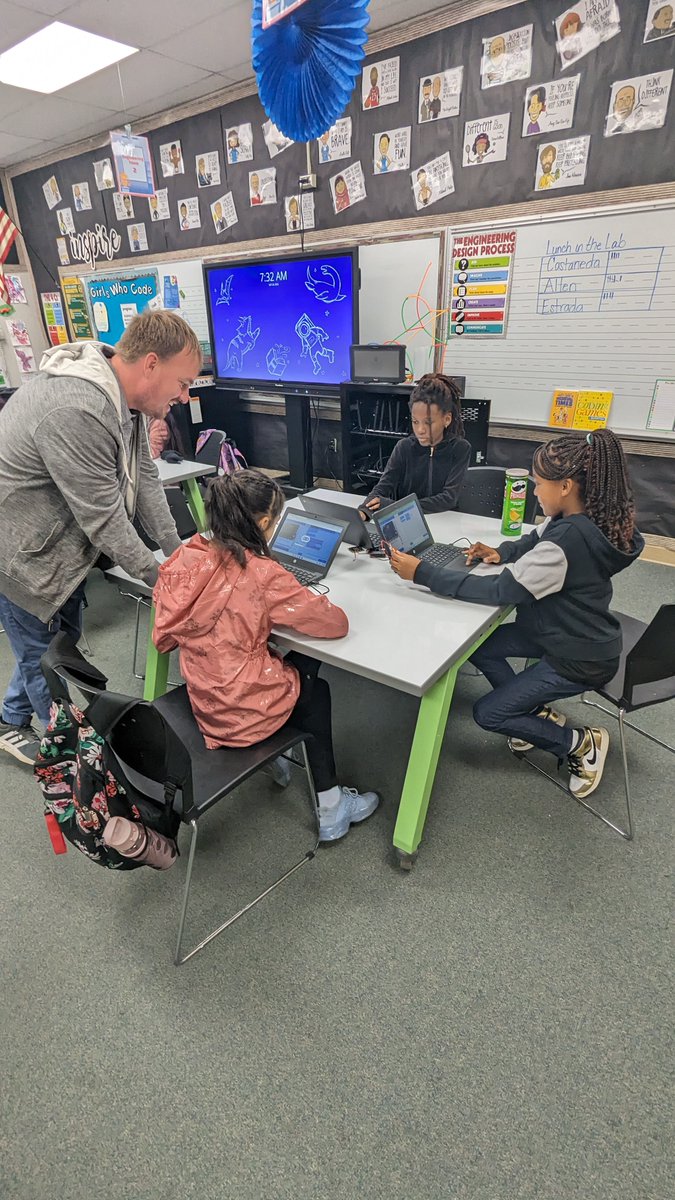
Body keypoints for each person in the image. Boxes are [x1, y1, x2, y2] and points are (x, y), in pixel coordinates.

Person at [388, 429, 644, 801]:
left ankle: (579, 743)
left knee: (488, 714)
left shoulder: (566, 543)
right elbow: (535, 539)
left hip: (579, 656)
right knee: (479, 648)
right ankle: (534, 711)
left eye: (539, 484)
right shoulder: (578, 517)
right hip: (557, 630)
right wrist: (501, 551)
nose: (534, 491)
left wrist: (422, 573)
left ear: (566, 486)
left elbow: (500, 591)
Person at [0, 310, 202, 765]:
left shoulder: (121, 397)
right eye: (183, 382)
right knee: (48, 659)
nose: (185, 397)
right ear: (150, 364)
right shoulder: (78, 407)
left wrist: (177, 553)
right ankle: (72, 766)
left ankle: (8, 718)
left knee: (54, 643)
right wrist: (165, 579)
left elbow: (146, 475)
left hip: (59, 551)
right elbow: (105, 519)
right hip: (23, 560)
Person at [151, 470, 379, 842]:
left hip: (204, 697)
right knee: (315, 691)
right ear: (261, 523)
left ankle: (277, 760)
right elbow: (334, 624)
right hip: (242, 712)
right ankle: (333, 808)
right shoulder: (261, 573)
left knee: (290, 664)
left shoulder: (187, 556)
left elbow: (166, 636)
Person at [360, 374, 471, 518]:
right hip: (407, 521)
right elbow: (383, 487)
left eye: (428, 423)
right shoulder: (404, 447)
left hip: (445, 522)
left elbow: (448, 498)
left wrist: (395, 506)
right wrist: (363, 512)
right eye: (415, 421)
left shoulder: (460, 449)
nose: (420, 430)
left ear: (447, 419)